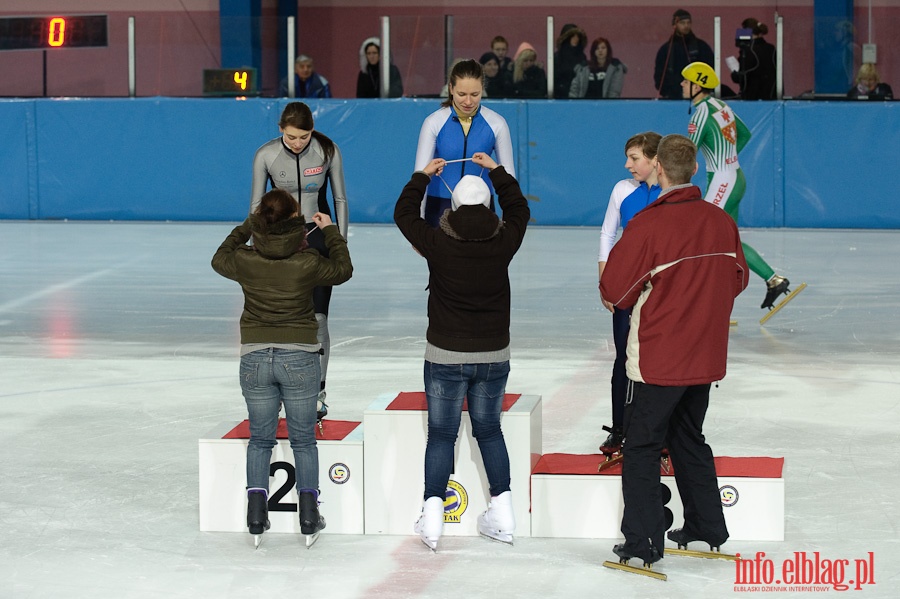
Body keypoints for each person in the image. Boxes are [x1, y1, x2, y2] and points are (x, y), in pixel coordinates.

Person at [599, 134, 749, 568]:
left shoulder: (648, 224)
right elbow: (737, 279)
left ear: (659, 168)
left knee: (642, 445)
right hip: (704, 356)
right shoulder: (721, 221)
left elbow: (616, 291)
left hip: (660, 358)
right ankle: (707, 527)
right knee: (688, 437)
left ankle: (643, 541)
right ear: (695, 171)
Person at [394, 151, 530, 551]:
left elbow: (404, 213)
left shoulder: (437, 241)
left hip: (445, 355)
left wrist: (422, 176)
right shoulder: (505, 239)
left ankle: (432, 521)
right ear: (488, 204)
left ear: (452, 205)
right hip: (493, 355)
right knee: (489, 430)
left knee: (441, 435)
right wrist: (497, 172)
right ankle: (503, 516)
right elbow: (519, 208)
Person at [211, 189, 353, 547]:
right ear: (294, 220)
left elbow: (219, 258)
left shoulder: (246, 260)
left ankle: (256, 515)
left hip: (255, 358)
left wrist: (249, 225)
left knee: (260, 440)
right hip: (300, 358)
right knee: (303, 441)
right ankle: (308, 515)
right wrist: (331, 230)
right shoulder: (307, 263)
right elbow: (343, 270)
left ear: (261, 220)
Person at [250, 102, 349, 423]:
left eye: (304, 137)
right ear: (281, 129)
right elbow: (255, 204)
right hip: (280, 241)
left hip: (317, 239)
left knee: (318, 318)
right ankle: (279, 388)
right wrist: (255, 246)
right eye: (292, 137)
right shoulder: (265, 155)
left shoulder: (327, 151)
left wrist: (339, 241)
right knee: (280, 317)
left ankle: (318, 393)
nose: (297, 143)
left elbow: (340, 199)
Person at [682, 62, 793, 311]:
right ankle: (773, 279)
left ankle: (704, 296)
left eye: (686, 81)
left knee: (702, 234)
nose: (681, 84)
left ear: (697, 86)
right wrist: (727, 158)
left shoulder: (700, 113)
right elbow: (744, 134)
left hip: (722, 181)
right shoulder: (722, 107)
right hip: (735, 176)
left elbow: (687, 152)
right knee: (727, 241)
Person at [597, 132, 662, 454]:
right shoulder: (622, 190)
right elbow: (608, 233)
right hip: (627, 287)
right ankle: (620, 427)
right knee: (623, 357)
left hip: (662, 290)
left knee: (658, 359)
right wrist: (605, 277)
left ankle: (658, 431)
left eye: (635, 158)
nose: (627, 165)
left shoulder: (671, 192)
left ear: (655, 160)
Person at [415, 59, 516, 227]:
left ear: (482, 89)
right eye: (462, 94)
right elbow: (420, 177)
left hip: (482, 208)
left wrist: (510, 223)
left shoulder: (497, 124)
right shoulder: (433, 123)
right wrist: (417, 225)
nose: (468, 102)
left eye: (475, 95)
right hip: (440, 207)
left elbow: (509, 179)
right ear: (451, 89)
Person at [654, 9, 714, 100]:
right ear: (674, 25)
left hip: (698, 97)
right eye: (682, 23)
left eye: (688, 22)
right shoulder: (666, 50)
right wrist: (671, 91)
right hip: (673, 99)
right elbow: (659, 77)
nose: (686, 26)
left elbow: (710, 70)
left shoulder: (702, 47)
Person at [726, 18, 776, 100]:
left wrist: (734, 73)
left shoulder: (750, 51)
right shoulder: (771, 48)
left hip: (752, 97)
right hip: (771, 95)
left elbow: (742, 78)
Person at [553, 24, 587, 99]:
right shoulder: (557, 57)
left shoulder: (582, 57)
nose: (576, 39)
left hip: (578, 96)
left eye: (578, 36)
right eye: (573, 36)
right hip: (560, 96)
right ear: (567, 38)